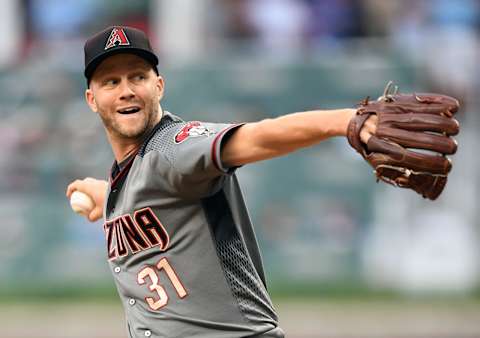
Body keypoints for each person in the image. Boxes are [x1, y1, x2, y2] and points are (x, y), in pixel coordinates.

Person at [66, 26, 376, 338]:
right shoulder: (134, 171)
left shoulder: (173, 146)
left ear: (159, 86)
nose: (126, 90)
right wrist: (106, 196)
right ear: (91, 99)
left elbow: (259, 138)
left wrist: (344, 121)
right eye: (111, 81)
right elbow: (159, 195)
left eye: (138, 77)